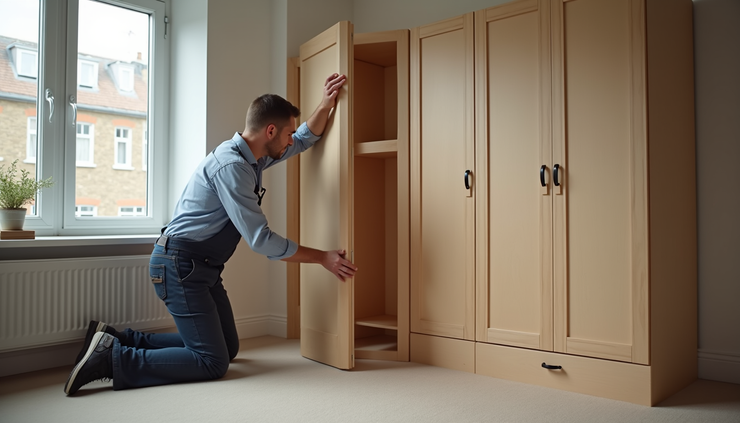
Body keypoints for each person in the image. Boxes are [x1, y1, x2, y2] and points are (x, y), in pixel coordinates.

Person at [64, 73, 356, 395]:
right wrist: (322, 257)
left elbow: (302, 139)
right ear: (270, 131)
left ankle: (117, 338)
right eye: (285, 133)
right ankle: (112, 361)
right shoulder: (232, 167)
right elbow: (261, 240)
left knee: (227, 348)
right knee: (211, 361)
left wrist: (327, 103)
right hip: (179, 267)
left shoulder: (253, 159)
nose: (289, 142)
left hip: (199, 268)